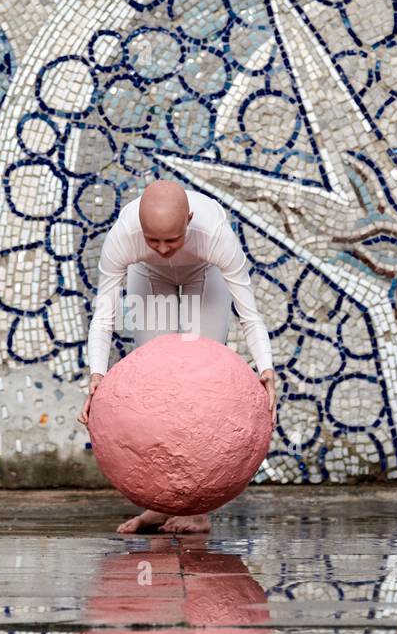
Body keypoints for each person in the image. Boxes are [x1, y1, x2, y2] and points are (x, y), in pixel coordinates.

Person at [78, 179, 276, 534]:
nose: (164, 248)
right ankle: (157, 505)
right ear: (140, 228)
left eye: (173, 239)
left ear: (190, 220)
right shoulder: (123, 235)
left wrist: (266, 369)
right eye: (153, 240)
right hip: (148, 278)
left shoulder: (214, 232)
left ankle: (196, 511)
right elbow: (104, 316)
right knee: (155, 390)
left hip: (205, 275)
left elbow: (250, 313)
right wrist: (96, 374)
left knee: (203, 385)